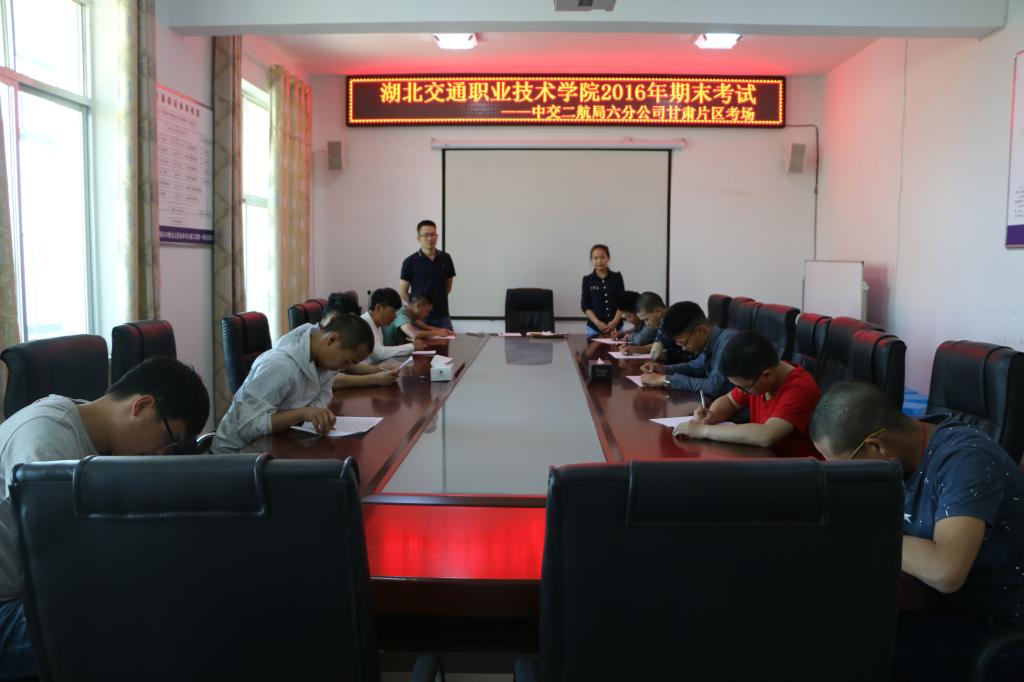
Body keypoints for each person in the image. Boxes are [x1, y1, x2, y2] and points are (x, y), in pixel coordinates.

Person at [0, 357, 210, 678]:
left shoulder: (90, 435)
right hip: (9, 606)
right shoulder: (47, 440)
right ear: (142, 406)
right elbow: (57, 571)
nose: (160, 454)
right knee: (137, 617)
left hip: (28, 593)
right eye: (166, 440)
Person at [810, 381, 1024, 682]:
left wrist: (865, 537)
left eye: (843, 466)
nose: (843, 477)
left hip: (991, 627)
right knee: (819, 619)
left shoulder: (965, 459)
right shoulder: (902, 456)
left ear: (877, 445)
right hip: (937, 605)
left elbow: (945, 571)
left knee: (836, 652)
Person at [212, 313, 374, 453]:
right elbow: (247, 427)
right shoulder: (280, 366)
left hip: (276, 443)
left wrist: (313, 415)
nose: (343, 368)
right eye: (347, 361)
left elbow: (320, 401)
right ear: (332, 340)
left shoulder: (323, 362)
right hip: (236, 454)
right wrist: (302, 413)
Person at [672, 330, 822, 458]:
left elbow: (767, 435)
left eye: (743, 387)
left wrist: (704, 430)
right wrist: (713, 414)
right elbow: (730, 400)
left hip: (798, 470)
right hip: (763, 458)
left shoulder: (800, 388)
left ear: (767, 375)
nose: (741, 391)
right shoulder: (757, 375)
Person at [640, 301, 736, 398]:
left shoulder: (730, 344)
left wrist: (665, 379)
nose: (684, 348)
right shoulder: (710, 342)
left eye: (684, 343)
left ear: (701, 330)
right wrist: (665, 369)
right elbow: (694, 367)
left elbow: (714, 387)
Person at [400, 219, 456, 330]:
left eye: (433, 235)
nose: (430, 238)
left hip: (442, 315)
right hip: (419, 318)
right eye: (426, 235)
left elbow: (448, 288)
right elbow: (403, 292)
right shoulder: (410, 262)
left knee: (447, 340)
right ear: (418, 238)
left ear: (437, 236)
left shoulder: (446, 258)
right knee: (420, 341)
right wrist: (418, 308)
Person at [360, 288, 425, 366]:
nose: (395, 317)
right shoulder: (364, 323)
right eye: (392, 311)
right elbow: (379, 354)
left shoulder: (377, 323)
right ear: (378, 308)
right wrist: (411, 346)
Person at [580, 244, 625, 338]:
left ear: (608, 258)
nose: (599, 261)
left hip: (616, 328)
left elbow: (622, 301)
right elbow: (585, 305)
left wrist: (614, 322)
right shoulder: (587, 280)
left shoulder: (617, 277)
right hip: (594, 328)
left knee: (618, 347)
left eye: (602, 257)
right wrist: (597, 323)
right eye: (595, 258)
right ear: (591, 260)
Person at [384, 293, 451, 346]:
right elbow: (414, 334)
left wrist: (443, 331)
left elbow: (426, 327)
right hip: (392, 354)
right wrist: (437, 333)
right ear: (418, 305)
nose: (427, 315)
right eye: (426, 311)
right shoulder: (401, 314)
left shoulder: (410, 314)